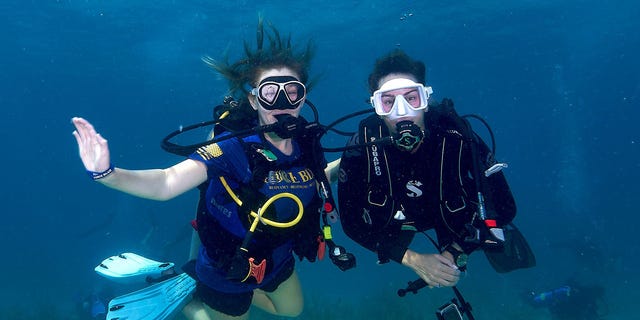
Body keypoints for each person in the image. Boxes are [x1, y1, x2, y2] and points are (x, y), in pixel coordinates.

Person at [72, 19, 335, 320]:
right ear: (253, 99)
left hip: (276, 255)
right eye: (269, 92)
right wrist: (108, 174)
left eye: (291, 91)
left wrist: (356, 160)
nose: (281, 102)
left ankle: (198, 282)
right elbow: (167, 182)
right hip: (227, 263)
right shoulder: (231, 147)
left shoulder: (307, 142)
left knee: (292, 310)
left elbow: (317, 176)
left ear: (302, 98)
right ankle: (191, 290)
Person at [337, 49, 518, 288]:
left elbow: (504, 206)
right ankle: (333, 170)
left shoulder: (457, 134)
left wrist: (455, 252)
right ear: (376, 107)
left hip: (449, 219)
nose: (402, 111)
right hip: (395, 222)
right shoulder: (362, 145)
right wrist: (412, 259)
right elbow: (352, 225)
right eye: (388, 102)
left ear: (425, 101)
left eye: (412, 98)